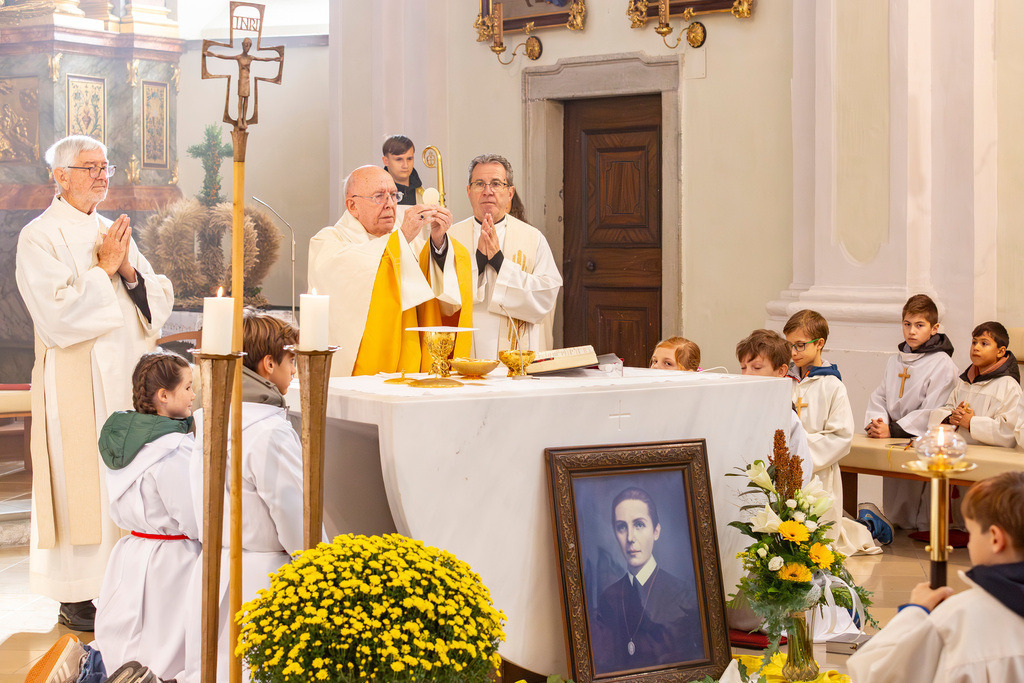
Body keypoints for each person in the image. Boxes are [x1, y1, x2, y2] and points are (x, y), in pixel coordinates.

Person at [15, 134, 174, 630]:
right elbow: (56, 315)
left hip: (124, 379)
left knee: (124, 479)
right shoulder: (38, 237)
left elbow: (157, 301)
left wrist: (127, 270)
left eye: (105, 166)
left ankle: (126, 581)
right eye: (89, 167)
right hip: (76, 382)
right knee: (79, 479)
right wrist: (104, 271)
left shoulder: (115, 231)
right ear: (60, 177)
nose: (102, 175)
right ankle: (78, 593)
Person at [182, 310, 312, 683]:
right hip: (263, 583)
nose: (296, 371)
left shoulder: (208, 421)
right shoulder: (269, 431)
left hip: (213, 572)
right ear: (268, 364)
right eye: (291, 361)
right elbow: (297, 521)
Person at [848, 472, 1024, 681]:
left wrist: (914, 612)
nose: (968, 543)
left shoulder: (959, 618)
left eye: (972, 532)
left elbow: (872, 673)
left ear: (995, 538)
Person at [91, 351, 199, 681]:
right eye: (188, 387)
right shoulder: (172, 449)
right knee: (164, 647)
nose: (194, 395)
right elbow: (195, 517)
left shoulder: (125, 441)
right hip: (173, 561)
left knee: (127, 639)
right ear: (163, 396)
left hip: (132, 552)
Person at [307, 165, 473, 376]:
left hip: (413, 366)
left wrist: (438, 242)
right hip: (363, 370)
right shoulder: (329, 241)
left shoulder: (406, 240)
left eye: (394, 196)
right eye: (379, 196)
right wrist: (401, 238)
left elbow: (442, 293)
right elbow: (353, 285)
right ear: (352, 205)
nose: (390, 205)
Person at [784, 310, 880, 556]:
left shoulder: (832, 386)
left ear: (819, 344)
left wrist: (800, 450)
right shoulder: (784, 381)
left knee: (819, 537)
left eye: (800, 345)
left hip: (818, 471)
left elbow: (841, 437)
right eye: (789, 345)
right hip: (785, 466)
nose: (794, 352)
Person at [448, 154, 562, 357]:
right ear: (468, 191)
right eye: (479, 184)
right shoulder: (450, 237)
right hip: (463, 354)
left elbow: (546, 296)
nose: (487, 191)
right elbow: (440, 297)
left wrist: (499, 263)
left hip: (516, 354)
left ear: (510, 193)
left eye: (496, 184)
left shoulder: (532, 238)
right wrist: (480, 263)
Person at [863, 295, 959, 533]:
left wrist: (893, 429)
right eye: (907, 324)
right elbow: (880, 396)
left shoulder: (942, 364)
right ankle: (895, 526)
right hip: (891, 433)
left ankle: (919, 529)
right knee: (895, 493)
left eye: (919, 325)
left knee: (915, 496)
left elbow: (934, 410)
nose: (911, 331)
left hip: (918, 438)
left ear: (934, 328)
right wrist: (878, 422)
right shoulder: (896, 360)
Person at [591, 487, 702, 674]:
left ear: (656, 531)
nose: (630, 538)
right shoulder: (608, 597)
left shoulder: (682, 593)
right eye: (621, 527)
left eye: (639, 525)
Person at [735, 329, 812, 483]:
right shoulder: (736, 408)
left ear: (781, 371)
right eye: (743, 367)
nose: (747, 374)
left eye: (756, 368)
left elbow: (800, 467)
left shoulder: (787, 416)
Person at [929, 321, 1022, 447]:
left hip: (990, 456)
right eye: (974, 342)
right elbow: (947, 407)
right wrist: (951, 418)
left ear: (1000, 352)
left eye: (984, 343)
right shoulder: (964, 382)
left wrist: (971, 423)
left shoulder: (1008, 386)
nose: (976, 347)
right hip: (958, 449)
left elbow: (1009, 433)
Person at [382, 134, 423, 206]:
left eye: (409, 159)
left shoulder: (423, 196)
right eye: (399, 159)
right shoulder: (376, 197)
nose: (405, 165)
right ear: (386, 161)